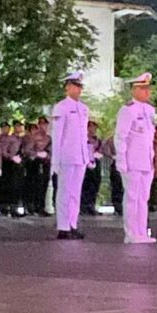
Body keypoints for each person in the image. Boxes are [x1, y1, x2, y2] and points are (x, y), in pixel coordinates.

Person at [115, 72, 157, 244]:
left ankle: (141, 232)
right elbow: (121, 137)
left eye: (148, 88)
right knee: (132, 197)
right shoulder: (128, 110)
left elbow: (149, 138)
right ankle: (131, 233)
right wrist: (121, 160)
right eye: (143, 88)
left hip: (146, 161)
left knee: (143, 198)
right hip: (132, 160)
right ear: (134, 90)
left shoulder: (150, 110)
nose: (147, 92)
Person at [50, 72, 91, 240]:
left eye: (79, 86)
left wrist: (87, 156)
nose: (78, 89)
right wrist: (55, 160)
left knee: (75, 193)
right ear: (67, 87)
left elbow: (84, 136)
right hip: (66, 156)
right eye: (75, 86)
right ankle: (63, 226)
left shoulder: (83, 109)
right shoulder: (61, 107)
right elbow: (57, 135)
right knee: (64, 192)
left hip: (79, 156)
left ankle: (72, 224)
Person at [23, 118, 52, 217]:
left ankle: (41, 206)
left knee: (44, 184)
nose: (45, 127)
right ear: (39, 125)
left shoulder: (48, 138)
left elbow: (51, 150)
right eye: (42, 124)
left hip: (45, 163)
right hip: (34, 163)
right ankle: (31, 206)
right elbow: (26, 150)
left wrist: (47, 155)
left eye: (46, 125)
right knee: (34, 184)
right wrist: (37, 154)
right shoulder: (33, 137)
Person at [0, 120, 26, 218]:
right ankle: (5, 207)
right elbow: (3, 151)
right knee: (8, 185)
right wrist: (12, 157)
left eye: (21, 126)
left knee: (18, 185)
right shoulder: (9, 138)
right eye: (18, 126)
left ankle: (14, 207)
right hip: (9, 164)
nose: (20, 128)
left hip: (19, 164)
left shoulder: (21, 139)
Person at [79, 121, 103, 217]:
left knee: (95, 184)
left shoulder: (97, 140)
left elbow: (101, 150)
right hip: (85, 163)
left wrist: (98, 154)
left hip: (95, 162)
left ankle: (91, 204)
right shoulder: (82, 139)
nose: (93, 130)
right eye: (91, 127)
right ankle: (83, 206)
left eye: (94, 128)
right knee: (85, 185)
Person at [102, 132, 124, 216]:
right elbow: (105, 149)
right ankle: (118, 206)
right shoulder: (111, 139)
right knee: (117, 186)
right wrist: (112, 155)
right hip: (116, 163)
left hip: (128, 165)